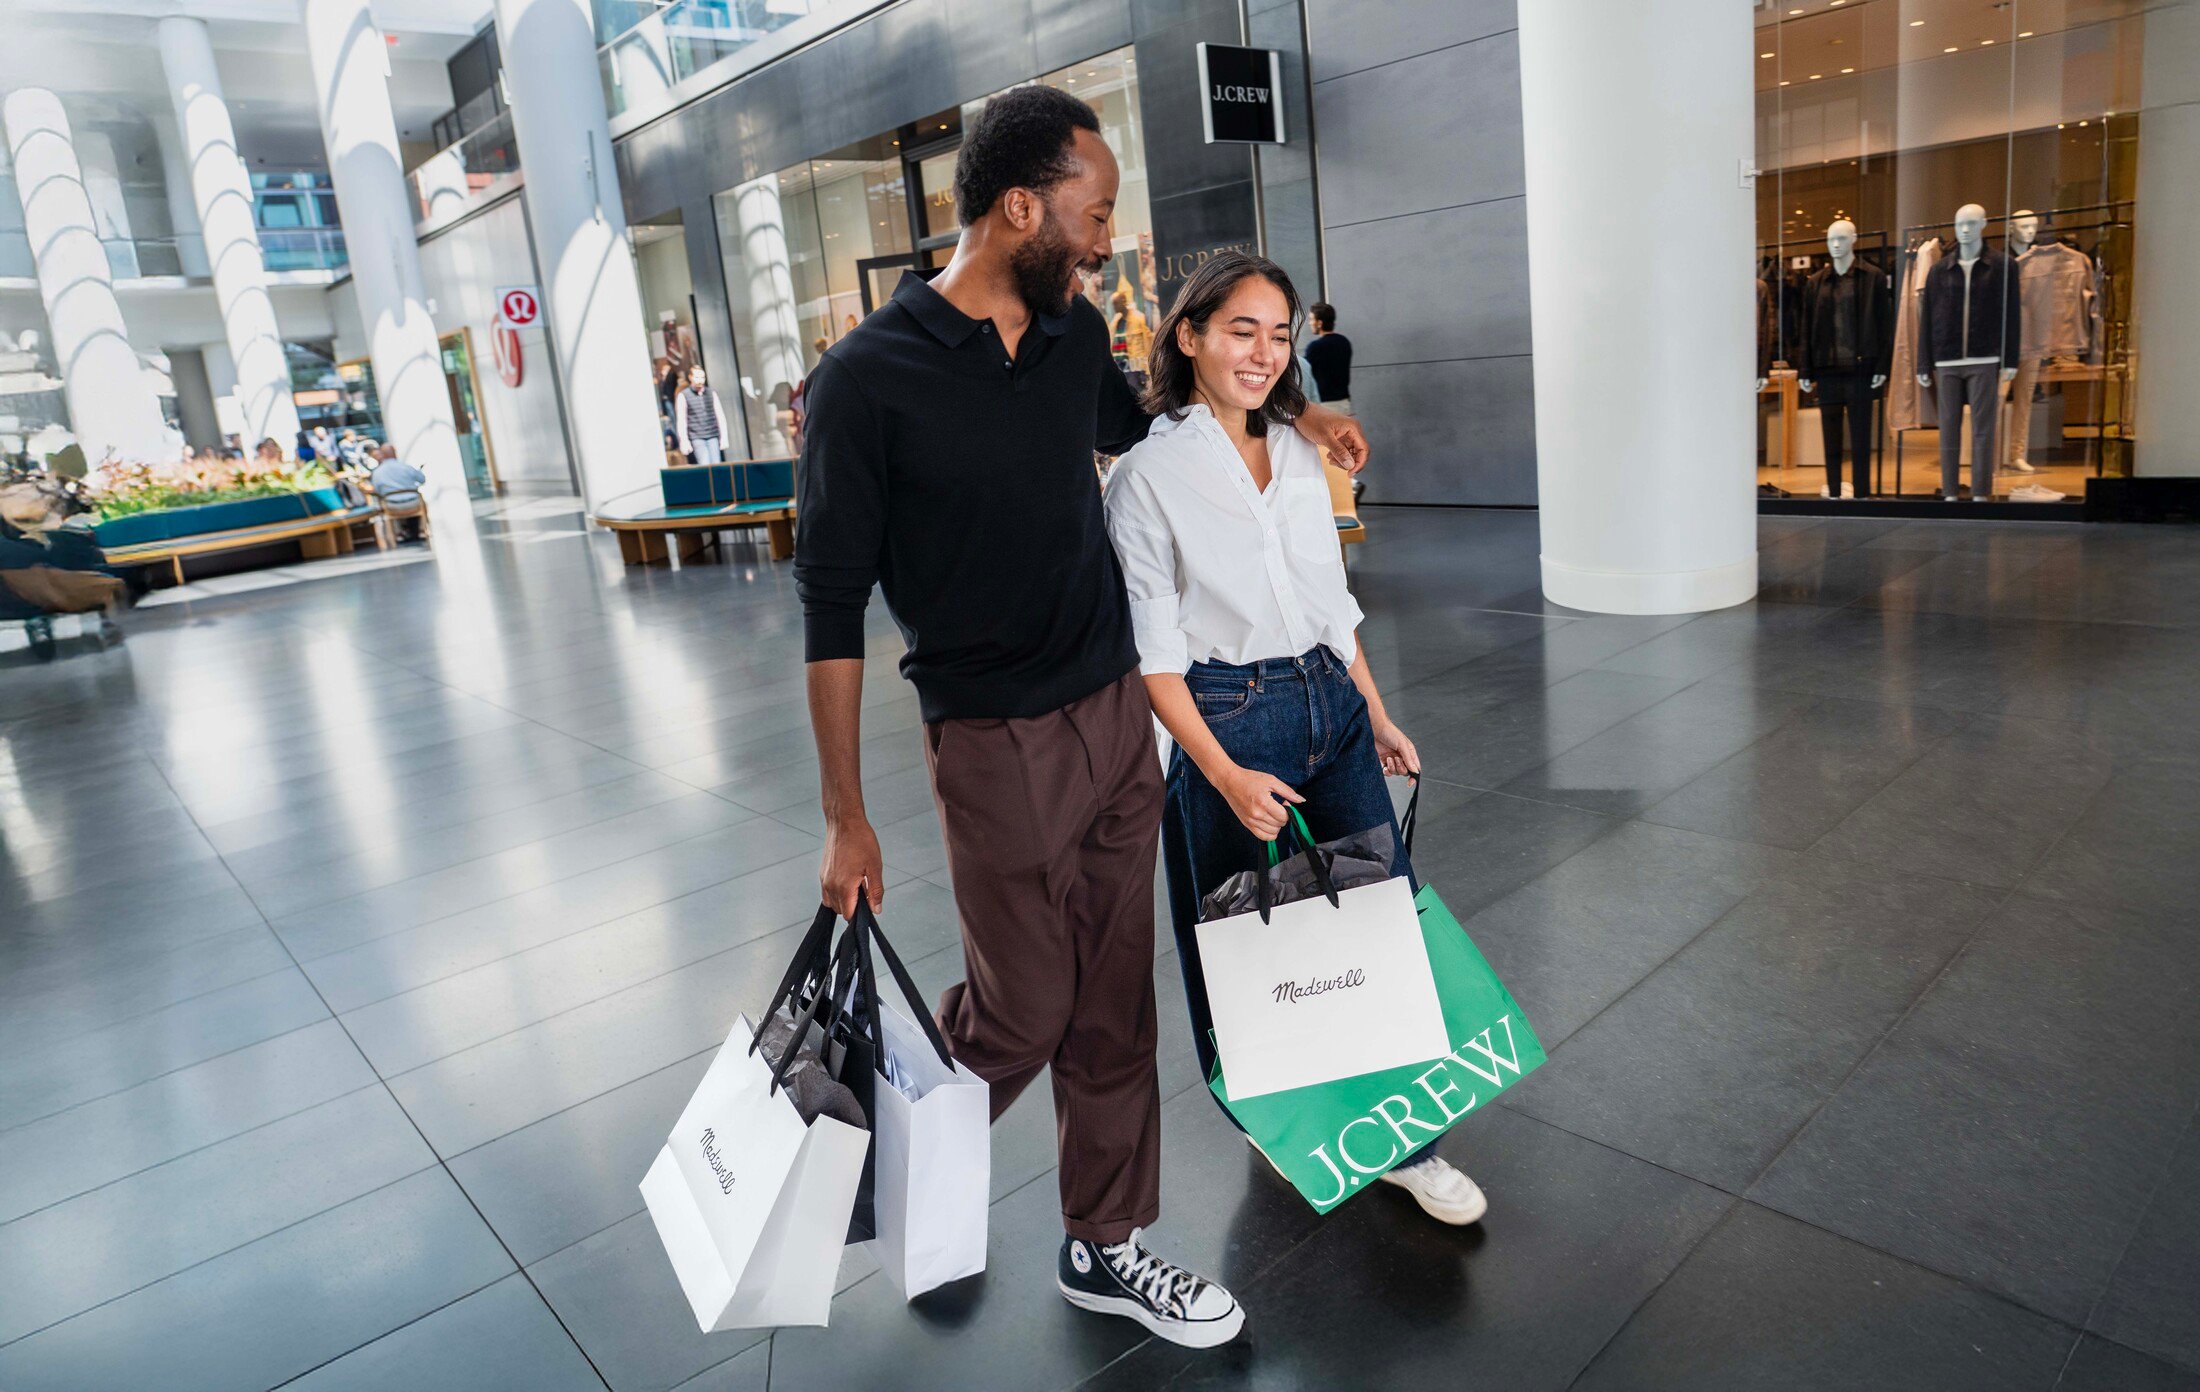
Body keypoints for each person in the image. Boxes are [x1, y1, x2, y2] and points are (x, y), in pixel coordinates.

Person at [796, 84, 1368, 1351]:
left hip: (1118, 717)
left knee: (1113, 1001)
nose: (1106, 237)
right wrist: (845, 818)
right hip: (990, 740)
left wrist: (1299, 411)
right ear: (1019, 208)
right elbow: (829, 611)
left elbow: (1161, 419)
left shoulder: (1065, 343)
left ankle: (1104, 1244)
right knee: (1024, 1008)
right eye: (1093, 211)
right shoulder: (863, 382)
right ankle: (861, 1159)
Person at [1104, 252, 1487, 1230]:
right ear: (1187, 334)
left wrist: (1376, 708)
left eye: (1279, 335)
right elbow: (1153, 658)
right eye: (1243, 329)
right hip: (1223, 716)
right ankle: (1276, 1117)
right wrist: (1222, 772)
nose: (1266, 354)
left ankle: (1407, 1143)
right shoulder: (1147, 477)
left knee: (1378, 920)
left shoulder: (1303, 449)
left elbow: (1331, 606)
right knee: (1244, 936)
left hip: (1330, 703)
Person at [368, 444, 428, 541]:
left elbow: (377, 490)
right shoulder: (405, 467)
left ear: (382, 455)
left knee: (386, 502)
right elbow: (422, 480)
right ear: (395, 453)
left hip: (392, 506)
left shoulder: (377, 472)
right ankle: (421, 530)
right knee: (420, 499)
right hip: (413, 503)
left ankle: (399, 533)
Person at [1302, 301, 1353, 415]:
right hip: (1344, 403)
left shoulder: (1315, 347)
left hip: (1324, 405)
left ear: (1319, 323)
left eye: (1311, 319)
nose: (1310, 323)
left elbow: (1304, 373)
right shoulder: (1344, 342)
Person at [673, 364, 729, 466]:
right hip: (696, 437)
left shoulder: (711, 393)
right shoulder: (684, 395)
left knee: (717, 466)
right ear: (690, 377)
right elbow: (682, 420)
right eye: (697, 377)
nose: (700, 380)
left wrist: (724, 436)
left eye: (702, 377)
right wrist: (684, 441)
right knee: (705, 464)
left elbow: (720, 415)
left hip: (712, 435)